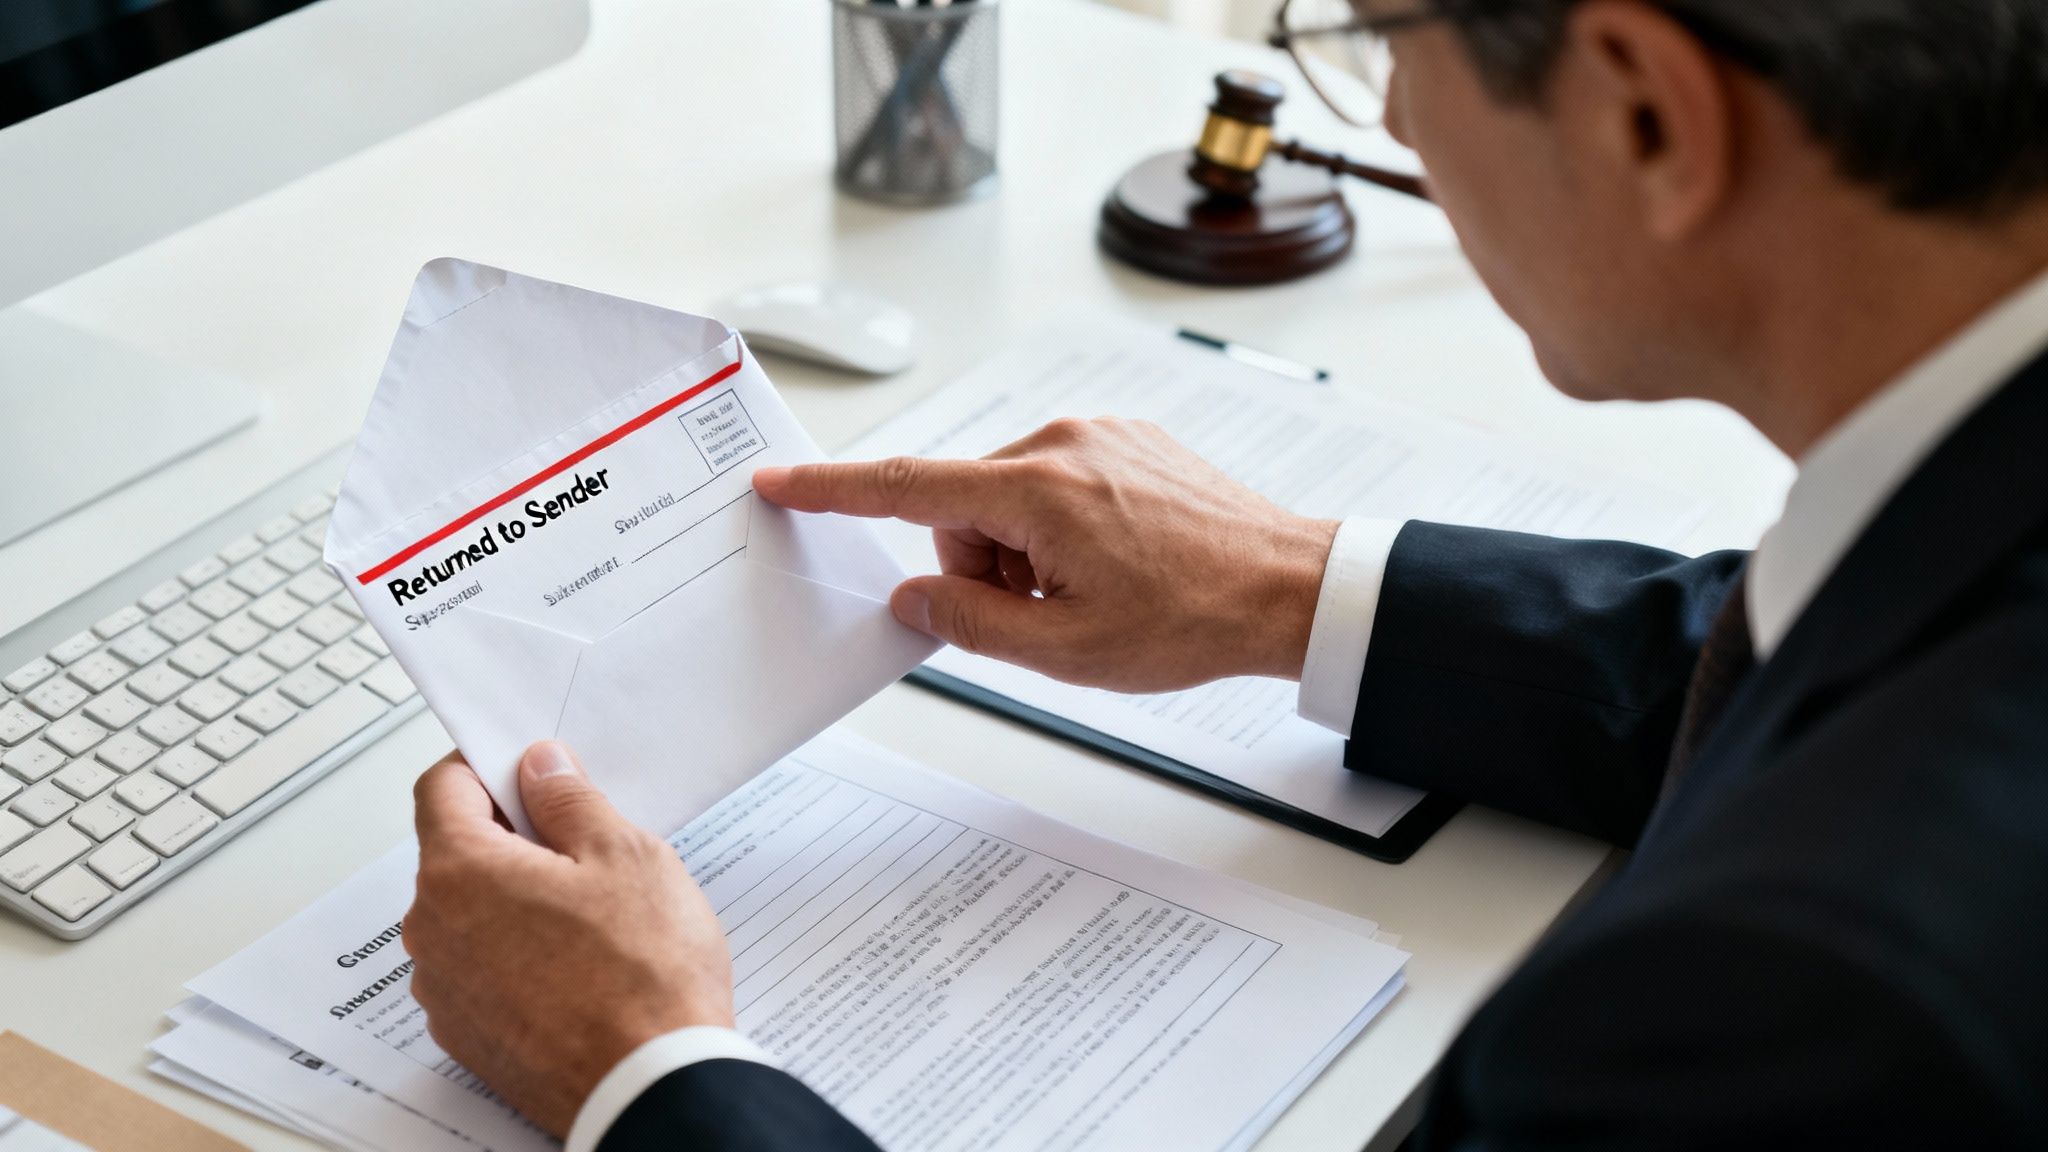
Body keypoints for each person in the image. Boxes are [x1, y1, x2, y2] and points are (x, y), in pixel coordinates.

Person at [401, 1, 2048, 1149]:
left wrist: (645, 1069)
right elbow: (1816, 653)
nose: (1390, 114)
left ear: (1644, 109)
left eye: (1383, 37)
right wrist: (1291, 586)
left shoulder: (1815, 1002)